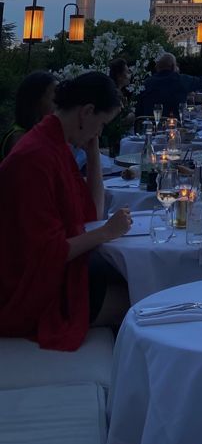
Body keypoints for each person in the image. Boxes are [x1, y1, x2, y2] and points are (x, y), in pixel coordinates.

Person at [0, 71, 132, 351]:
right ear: (86, 112)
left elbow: (91, 215)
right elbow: (48, 252)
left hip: (52, 274)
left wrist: (94, 150)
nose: (100, 132)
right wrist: (107, 232)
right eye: (102, 124)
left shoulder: (53, 144)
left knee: (135, 283)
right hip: (32, 289)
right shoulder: (36, 157)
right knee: (142, 300)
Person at [136, 51, 202, 119]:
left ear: (157, 67)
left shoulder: (146, 83)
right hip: (173, 126)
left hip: (149, 127)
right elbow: (201, 81)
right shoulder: (180, 80)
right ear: (173, 66)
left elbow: (139, 109)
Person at [0, 70, 58, 160]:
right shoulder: (19, 139)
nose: (59, 104)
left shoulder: (41, 132)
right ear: (36, 100)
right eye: (54, 99)